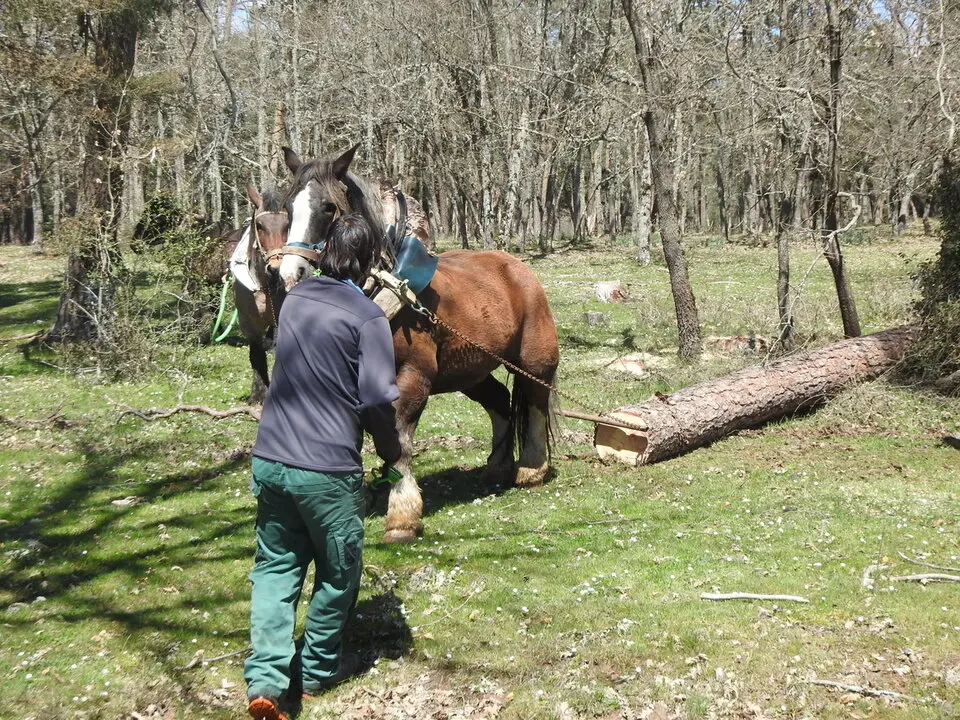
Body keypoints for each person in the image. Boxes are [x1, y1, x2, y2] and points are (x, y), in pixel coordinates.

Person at [244, 213, 402, 720]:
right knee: (338, 570)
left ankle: (266, 680)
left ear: (327, 250)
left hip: (270, 458)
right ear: (370, 259)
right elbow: (377, 397)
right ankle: (316, 671)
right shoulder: (368, 317)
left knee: (275, 567)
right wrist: (392, 451)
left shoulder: (294, 302)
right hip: (327, 468)